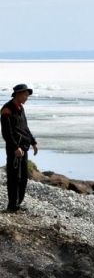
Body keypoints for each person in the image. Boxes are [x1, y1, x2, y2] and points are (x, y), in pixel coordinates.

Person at [1, 84, 39, 212]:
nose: (27, 97)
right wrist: (15, 147)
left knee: (23, 178)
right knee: (13, 178)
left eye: (27, 95)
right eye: (25, 95)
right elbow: (6, 133)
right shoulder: (7, 109)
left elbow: (25, 127)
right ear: (18, 94)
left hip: (24, 147)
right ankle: (12, 206)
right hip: (14, 149)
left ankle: (18, 203)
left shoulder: (20, 108)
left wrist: (33, 142)